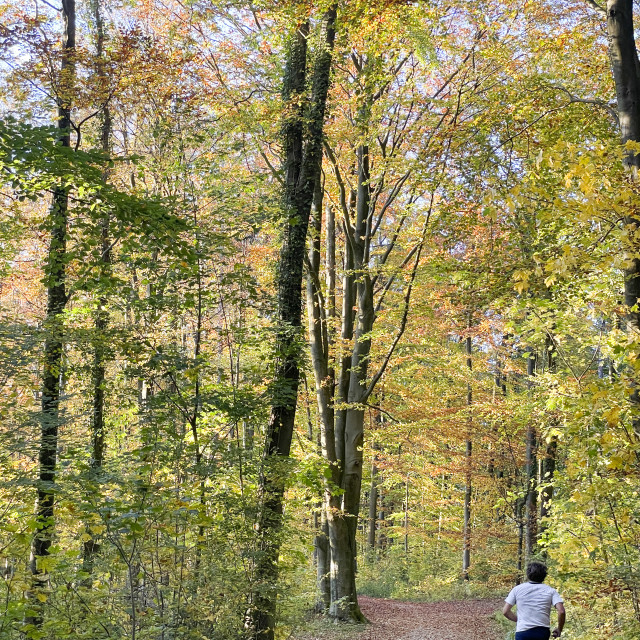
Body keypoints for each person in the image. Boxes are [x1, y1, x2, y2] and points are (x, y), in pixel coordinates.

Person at [502, 561, 566, 640]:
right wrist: (559, 629)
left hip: (523, 632)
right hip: (542, 632)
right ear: (544, 575)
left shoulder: (517, 589)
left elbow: (505, 611)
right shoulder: (551, 591)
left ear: (528, 574)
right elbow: (561, 611)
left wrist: (519, 620)